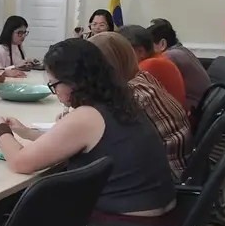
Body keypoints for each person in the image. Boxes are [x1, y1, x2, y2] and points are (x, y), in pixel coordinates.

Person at [0, 38, 177, 226]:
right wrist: (26, 132)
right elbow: (75, 141)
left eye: (54, 85)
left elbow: (20, 162)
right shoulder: (119, 101)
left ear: (73, 82)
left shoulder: (87, 116)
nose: (56, 93)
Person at [89, 32, 192, 178]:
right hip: (180, 166)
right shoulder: (142, 78)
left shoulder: (131, 94)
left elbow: (105, 139)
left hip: (166, 176)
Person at [116, 25, 187, 109]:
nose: (119, 57)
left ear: (140, 51)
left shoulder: (149, 66)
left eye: (121, 52)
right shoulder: (158, 60)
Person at [148, 18, 211, 111]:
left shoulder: (169, 56)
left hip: (194, 109)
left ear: (162, 44)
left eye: (149, 45)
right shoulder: (181, 50)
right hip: (204, 103)